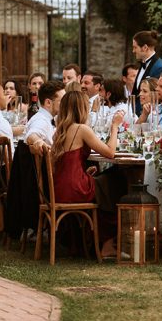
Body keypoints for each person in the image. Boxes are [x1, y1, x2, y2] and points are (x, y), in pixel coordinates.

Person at [50, 89, 124, 258]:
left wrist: (83, 171)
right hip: (75, 188)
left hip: (60, 187)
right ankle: (107, 243)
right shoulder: (81, 129)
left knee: (105, 181)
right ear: (81, 109)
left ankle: (98, 241)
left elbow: (67, 163)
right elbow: (110, 152)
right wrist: (115, 127)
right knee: (116, 179)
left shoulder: (60, 130)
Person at [131, 31, 162, 112]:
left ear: (145, 47)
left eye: (135, 47)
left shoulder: (159, 67)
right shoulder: (143, 63)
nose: (133, 51)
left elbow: (158, 96)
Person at [24, 80, 66, 152]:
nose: (66, 103)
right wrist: (38, 142)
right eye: (62, 100)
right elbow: (31, 135)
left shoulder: (47, 118)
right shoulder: (41, 120)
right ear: (48, 102)